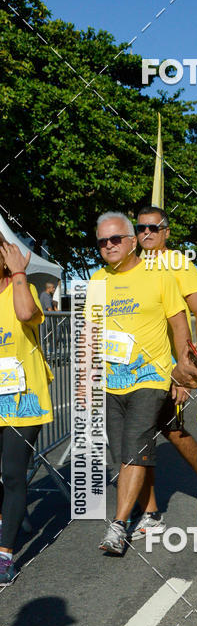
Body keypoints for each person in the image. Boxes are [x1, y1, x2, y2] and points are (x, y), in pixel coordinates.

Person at [90, 212, 194, 556]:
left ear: (132, 241)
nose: (108, 246)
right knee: (126, 451)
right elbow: (91, 336)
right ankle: (150, 514)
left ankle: (118, 525)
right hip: (112, 381)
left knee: (135, 444)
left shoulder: (159, 275)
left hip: (150, 377)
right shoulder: (95, 281)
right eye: (102, 241)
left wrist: (182, 372)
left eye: (115, 239)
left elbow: (180, 326)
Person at [131, 205, 197, 540]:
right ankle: (149, 513)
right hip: (134, 369)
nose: (146, 233)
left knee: (172, 433)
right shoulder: (129, 265)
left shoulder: (178, 264)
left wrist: (193, 366)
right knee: (146, 435)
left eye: (153, 228)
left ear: (166, 231)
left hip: (170, 368)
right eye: (140, 228)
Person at [0, 239, 53, 583]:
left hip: (23, 400)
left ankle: (4, 555)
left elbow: (24, 315)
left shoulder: (24, 289)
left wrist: (19, 271)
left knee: (13, 475)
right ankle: (10, 516)